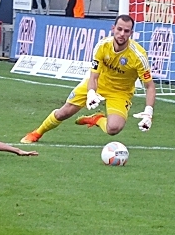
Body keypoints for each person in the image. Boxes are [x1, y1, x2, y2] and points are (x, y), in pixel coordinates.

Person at [21, 15, 155, 144]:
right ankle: (37, 133)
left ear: (131, 33)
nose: (121, 34)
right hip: (99, 84)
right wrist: (91, 92)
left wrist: (148, 112)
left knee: (114, 129)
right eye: (119, 29)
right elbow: (94, 75)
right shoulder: (102, 46)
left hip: (120, 92)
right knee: (64, 112)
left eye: (126, 31)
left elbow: (149, 86)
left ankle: (96, 119)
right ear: (113, 28)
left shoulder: (139, 56)